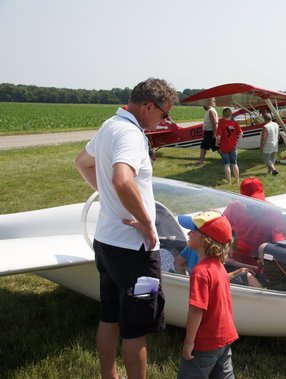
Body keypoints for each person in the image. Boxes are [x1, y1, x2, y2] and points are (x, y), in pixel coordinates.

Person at [74, 78, 178, 379]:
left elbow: (82, 163)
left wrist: (107, 198)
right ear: (148, 107)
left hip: (106, 242)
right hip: (134, 250)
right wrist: (147, 223)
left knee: (109, 317)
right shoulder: (131, 134)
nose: (165, 120)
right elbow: (122, 179)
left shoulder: (110, 125)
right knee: (136, 330)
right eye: (164, 113)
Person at [176, 211, 238, 379]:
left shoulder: (200, 272)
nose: (188, 233)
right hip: (224, 336)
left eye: (193, 231)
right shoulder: (219, 266)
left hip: (205, 341)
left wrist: (189, 342)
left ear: (205, 239)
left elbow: (196, 310)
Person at [215, 107, 243, 184]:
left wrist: (217, 144)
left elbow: (218, 137)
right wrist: (237, 143)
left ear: (223, 115)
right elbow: (241, 133)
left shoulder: (221, 123)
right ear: (231, 115)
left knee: (226, 164)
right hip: (233, 147)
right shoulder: (235, 123)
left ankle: (229, 182)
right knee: (234, 164)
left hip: (224, 147)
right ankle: (237, 180)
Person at [196, 97, 219, 166]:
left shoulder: (210, 111)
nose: (203, 106)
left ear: (207, 103)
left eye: (204, 104)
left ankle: (200, 161)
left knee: (203, 147)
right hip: (210, 132)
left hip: (210, 132)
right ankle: (227, 159)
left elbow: (215, 123)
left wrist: (214, 134)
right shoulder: (211, 110)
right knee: (217, 147)